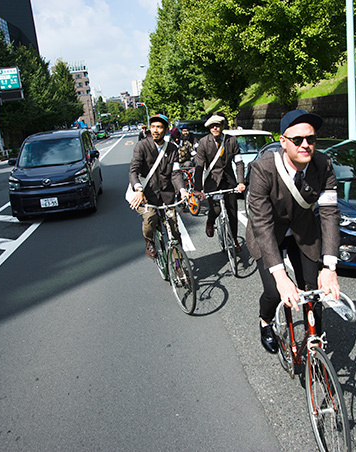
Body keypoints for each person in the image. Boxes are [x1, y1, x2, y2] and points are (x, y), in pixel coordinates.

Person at [245, 109, 341, 354]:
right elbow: (262, 223)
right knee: (274, 292)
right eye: (297, 140)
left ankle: (315, 341)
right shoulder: (262, 168)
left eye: (310, 139)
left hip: (304, 231)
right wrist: (280, 277)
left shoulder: (323, 164)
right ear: (283, 141)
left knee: (312, 290)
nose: (305, 145)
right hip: (268, 234)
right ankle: (265, 320)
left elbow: (329, 213)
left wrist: (330, 267)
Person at [128, 114, 189, 259]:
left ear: (166, 130)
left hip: (166, 196)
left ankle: (178, 264)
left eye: (159, 127)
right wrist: (138, 189)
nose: (156, 130)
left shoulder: (173, 149)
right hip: (145, 195)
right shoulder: (142, 146)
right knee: (151, 218)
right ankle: (149, 240)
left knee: (174, 230)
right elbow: (133, 171)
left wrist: (182, 190)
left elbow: (175, 173)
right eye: (153, 126)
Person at [193, 114, 245, 252]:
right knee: (216, 209)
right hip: (212, 182)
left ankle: (234, 240)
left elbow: (239, 162)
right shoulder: (204, 142)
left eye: (217, 125)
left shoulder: (231, 140)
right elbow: (199, 166)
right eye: (212, 126)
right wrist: (198, 189)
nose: (215, 128)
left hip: (229, 181)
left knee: (232, 212)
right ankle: (210, 220)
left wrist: (240, 181)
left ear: (222, 126)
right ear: (209, 128)